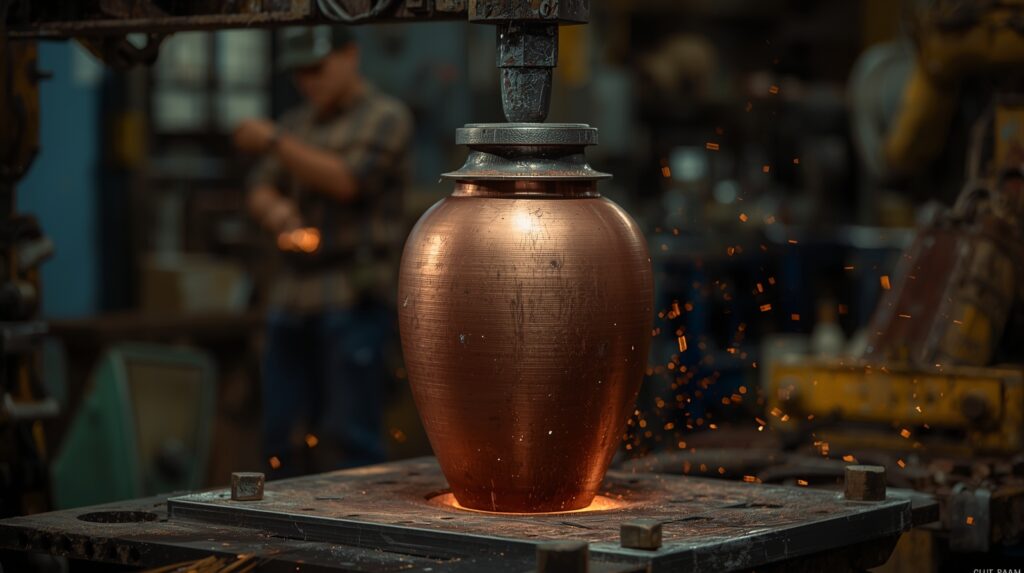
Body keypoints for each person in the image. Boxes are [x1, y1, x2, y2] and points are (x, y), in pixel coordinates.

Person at [233, 26, 412, 476]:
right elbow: (259, 185)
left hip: (351, 296)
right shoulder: (299, 123)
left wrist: (275, 141)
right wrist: (276, 211)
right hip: (291, 295)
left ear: (350, 55)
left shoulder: (385, 117)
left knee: (350, 438)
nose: (308, 82)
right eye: (299, 74)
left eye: (317, 69)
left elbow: (348, 180)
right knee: (281, 437)